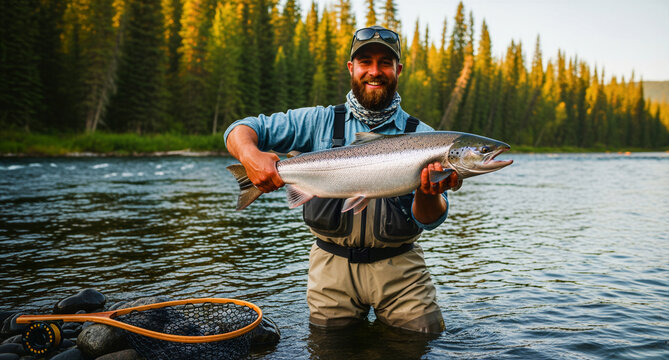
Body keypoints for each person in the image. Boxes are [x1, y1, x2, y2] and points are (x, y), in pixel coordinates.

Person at [224, 25, 460, 334]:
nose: (375, 71)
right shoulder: (316, 121)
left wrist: (428, 193)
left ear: (398, 70)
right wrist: (251, 157)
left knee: (421, 340)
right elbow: (241, 129)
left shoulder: (426, 138)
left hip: (402, 271)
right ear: (352, 67)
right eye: (366, 62)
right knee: (328, 347)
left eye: (385, 63)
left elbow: (429, 221)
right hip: (330, 267)